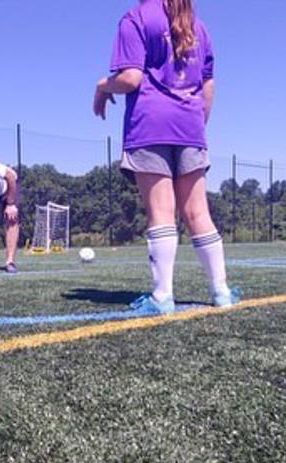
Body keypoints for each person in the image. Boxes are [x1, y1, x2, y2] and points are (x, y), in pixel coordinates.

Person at [94, 0, 235, 314]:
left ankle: (162, 297)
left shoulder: (136, 18)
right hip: (191, 126)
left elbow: (130, 78)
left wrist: (102, 86)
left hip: (150, 125)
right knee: (198, 213)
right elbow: (208, 83)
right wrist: (196, 124)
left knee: (161, 212)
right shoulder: (197, 25)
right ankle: (221, 292)